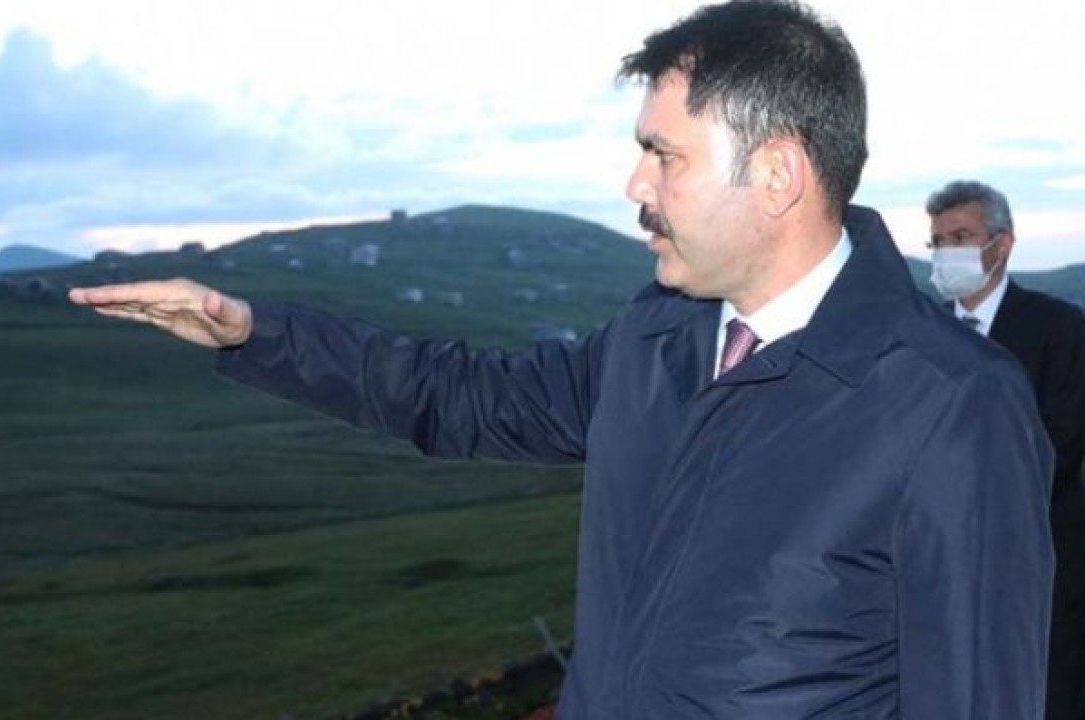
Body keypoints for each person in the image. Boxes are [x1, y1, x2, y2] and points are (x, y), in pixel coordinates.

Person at [70, 1, 1056, 716]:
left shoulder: (949, 407)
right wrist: (256, 332)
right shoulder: (655, 340)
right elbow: (459, 396)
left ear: (777, 174)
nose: (634, 185)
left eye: (663, 154)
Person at [926, 179, 1085, 720]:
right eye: (938, 241)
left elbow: (1062, 441)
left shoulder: (1059, 329)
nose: (947, 252)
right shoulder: (920, 333)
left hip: (1039, 563)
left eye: (961, 237)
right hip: (940, 567)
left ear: (1003, 244)